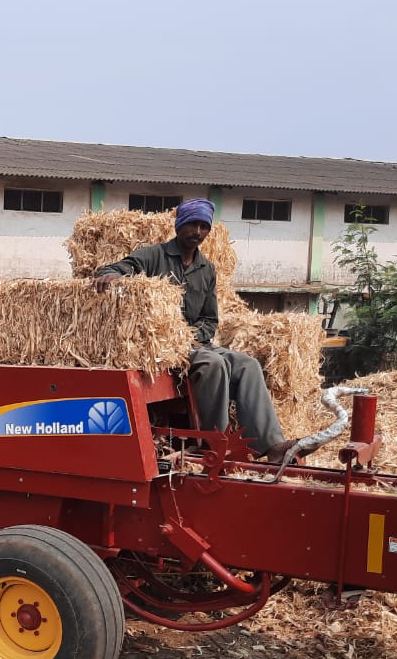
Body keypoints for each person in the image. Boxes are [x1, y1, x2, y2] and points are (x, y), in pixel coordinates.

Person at [93, 198, 295, 463]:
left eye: (203, 226)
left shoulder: (206, 269)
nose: (197, 232)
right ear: (179, 225)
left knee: (247, 364)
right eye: (192, 224)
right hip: (161, 347)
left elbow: (210, 320)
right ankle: (215, 443)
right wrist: (111, 275)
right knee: (213, 364)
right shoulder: (154, 256)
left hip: (194, 343)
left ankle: (270, 446)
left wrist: (193, 336)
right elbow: (121, 267)